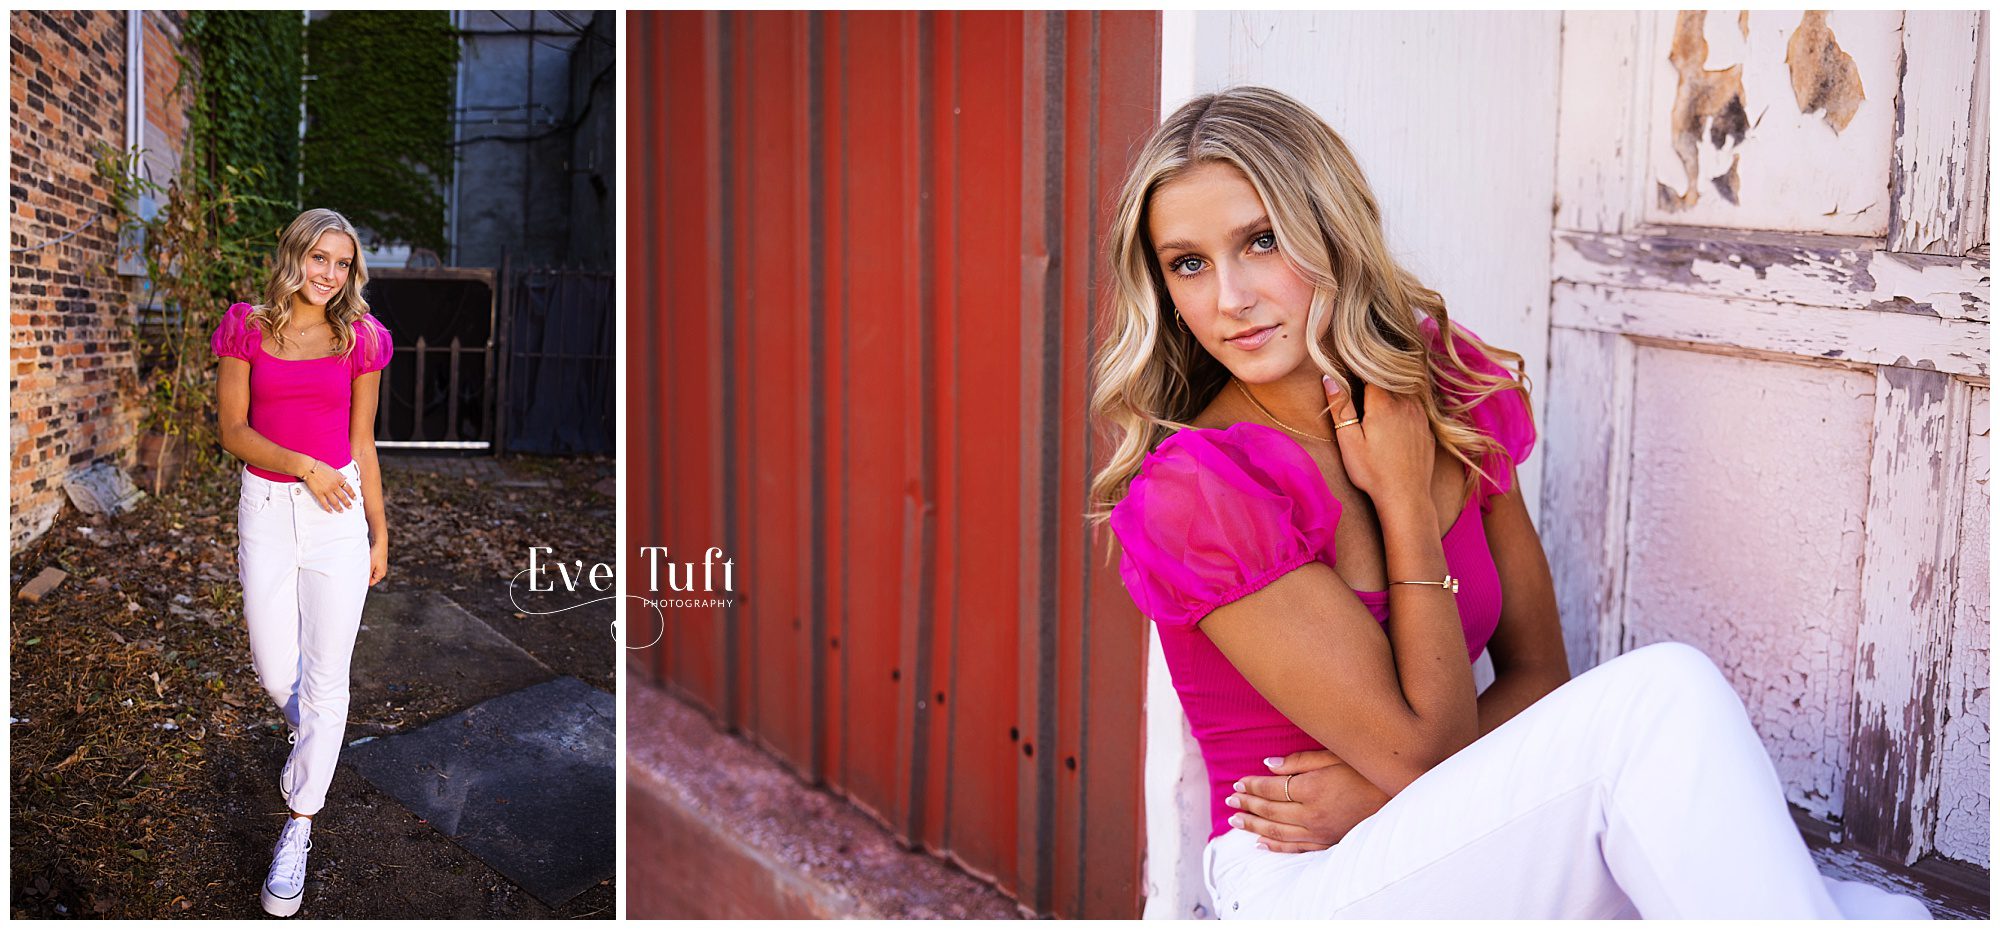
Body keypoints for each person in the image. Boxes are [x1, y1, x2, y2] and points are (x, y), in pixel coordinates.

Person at [1090, 86, 1929, 919]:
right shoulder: (1200, 491)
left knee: (1865, 912)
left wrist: (1384, 795)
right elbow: (1423, 753)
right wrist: (1407, 508)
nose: (1229, 297)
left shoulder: (1449, 390)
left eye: (1261, 241)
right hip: (1306, 880)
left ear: (1330, 230)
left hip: (1450, 835)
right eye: (1188, 263)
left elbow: (1537, 674)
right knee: (1665, 695)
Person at [211, 208, 394, 917]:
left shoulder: (362, 339)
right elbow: (232, 430)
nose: (329, 273)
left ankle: (300, 823)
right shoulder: (246, 327)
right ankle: (314, 731)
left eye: (342, 263)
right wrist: (303, 466)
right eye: (319, 257)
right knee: (270, 660)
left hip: (339, 517)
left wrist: (379, 531)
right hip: (268, 506)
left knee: (327, 678)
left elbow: (365, 445)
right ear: (294, 256)